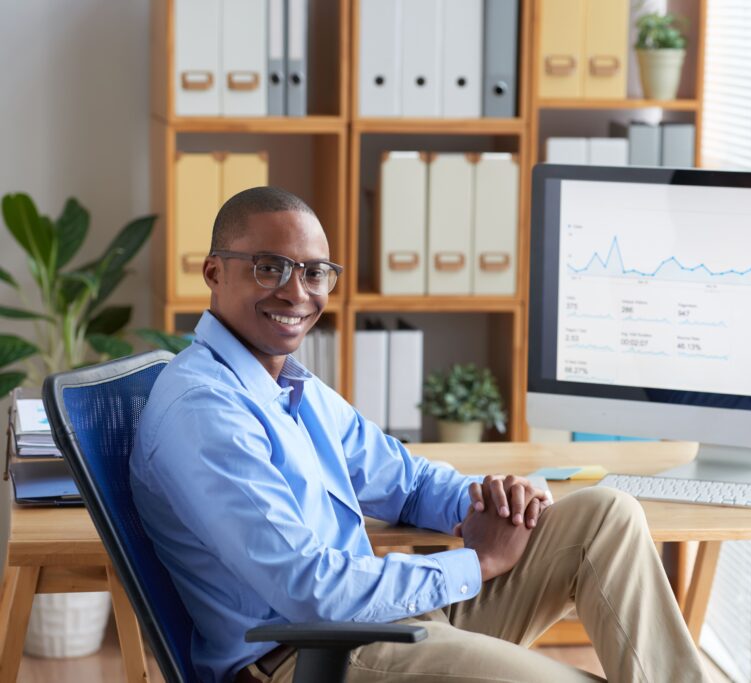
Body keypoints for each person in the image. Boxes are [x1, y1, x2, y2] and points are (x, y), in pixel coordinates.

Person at [130, 187, 708, 683]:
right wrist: (477, 563)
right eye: (269, 267)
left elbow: (405, 482)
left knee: (606, 515)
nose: (296, 292)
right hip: (309, 658)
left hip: (384, 623)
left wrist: (486, 501)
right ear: (213, 272)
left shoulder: (291, 387)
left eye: (313, 272)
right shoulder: (206, 411)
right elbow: (309, 590)